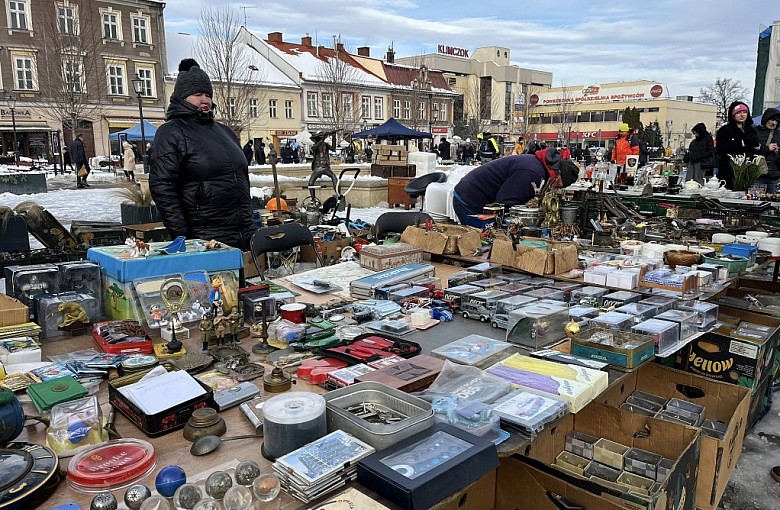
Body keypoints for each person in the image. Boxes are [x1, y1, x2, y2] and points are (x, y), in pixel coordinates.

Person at [149, 58, 254, 250]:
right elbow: (163, 188)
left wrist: (250, 226)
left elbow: (241, 179)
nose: (204, 100)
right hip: (204, 237)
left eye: (207, 94)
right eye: (197, 94)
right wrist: (183, 237)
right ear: (182, 97)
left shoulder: (225, 131)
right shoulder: (171, 132)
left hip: (243, 234)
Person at [452, 148, 579, 225]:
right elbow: (505, 201)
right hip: (469, 198)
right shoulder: (532, 173)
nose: (555, 188)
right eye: (558, 184)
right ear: (557, 175)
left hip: (475, 194)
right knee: (479, 243)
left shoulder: (538, 168)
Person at [716, 101, 760, 190]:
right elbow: (721, 149)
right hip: (729, 172)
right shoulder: (725, 130)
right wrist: (742, 143)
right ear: (733, 115)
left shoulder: (751, 130)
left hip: (747, 172)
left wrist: (757, 146)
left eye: (744, 112)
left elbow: (756, 149)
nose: (742, 115)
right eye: (738, 112)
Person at [753, 107, 780, 192]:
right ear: (766, 119)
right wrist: (767, 148)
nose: (774, 123)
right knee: (756, 199)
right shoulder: (755, 132)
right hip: (758, 176)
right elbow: (751, 149)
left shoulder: (778, 134)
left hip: (775, 177)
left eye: (776, 121)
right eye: (772, 120)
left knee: (774, 200)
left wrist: (778, 151)